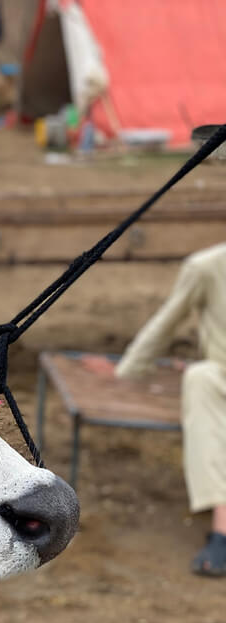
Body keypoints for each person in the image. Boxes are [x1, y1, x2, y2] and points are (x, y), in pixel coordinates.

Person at [89, 244, 226, 576]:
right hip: (220, 376)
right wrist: (126, 370)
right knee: (199, 379)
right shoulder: (207, 267)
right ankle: (222, 531)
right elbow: (167, 320)